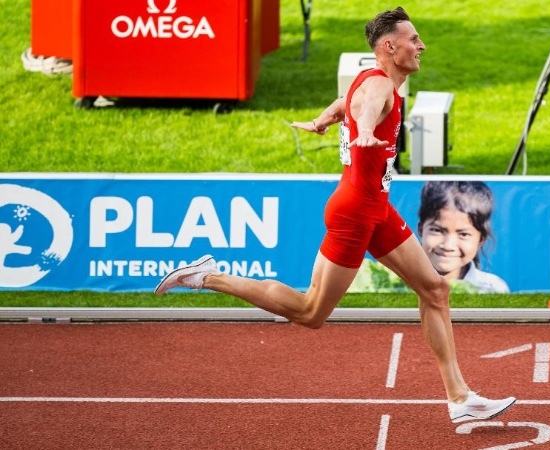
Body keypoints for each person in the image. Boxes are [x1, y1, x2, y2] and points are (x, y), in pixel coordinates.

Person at [154, 7, 515, 424]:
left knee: (435, 290)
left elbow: (347, 100)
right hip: (354, 214)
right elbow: (365, 107)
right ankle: (208, 276)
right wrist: (362, 131)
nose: (421, 46)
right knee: (310, 312)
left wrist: (323, 119)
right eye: (413, 39)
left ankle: (460, 398)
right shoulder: (379, 87)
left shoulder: (369, 78)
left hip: (375, 209)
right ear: (389, 46)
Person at [418, 181, 510, 294]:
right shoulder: (396, 287)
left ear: (481, 239)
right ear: (421, 230)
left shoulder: (493, 290)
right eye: (437, 230)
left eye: (463, 234)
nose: (448, 246)